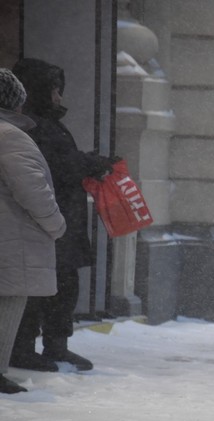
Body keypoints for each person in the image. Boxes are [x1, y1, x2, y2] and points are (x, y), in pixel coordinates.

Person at [10, 58, 114, 372]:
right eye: (54, 90)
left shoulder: (47, 122)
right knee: (38, 290)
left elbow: (62, 161)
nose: (59, 97)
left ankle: (56, 345)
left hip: (60, 220)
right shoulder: (28, 126)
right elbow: (50, 168)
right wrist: (88, 165)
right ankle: (22, 348)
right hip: (42, 223)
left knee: (63, 285)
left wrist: (87, 161)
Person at [0, 68, 66, 393]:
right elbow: (33, 192)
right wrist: (56, 225)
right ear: (16, 103)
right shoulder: (10, 136)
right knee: (9, 302)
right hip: (11, 240)